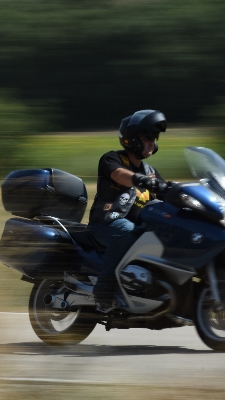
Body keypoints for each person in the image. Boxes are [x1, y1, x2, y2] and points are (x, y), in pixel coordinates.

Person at [88, 109, 168, 310]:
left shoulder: (150, 172)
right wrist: (139, 179)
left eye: (154, 138)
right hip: (106, 223)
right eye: (147, 137)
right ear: (132, 139)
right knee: (127, 231)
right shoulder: (112, 159)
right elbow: (118, 175)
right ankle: (104, 289)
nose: (152, 142)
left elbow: (165, 195)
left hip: (138, 227)